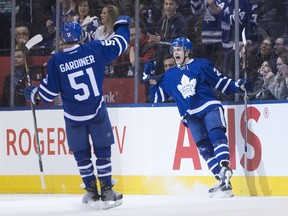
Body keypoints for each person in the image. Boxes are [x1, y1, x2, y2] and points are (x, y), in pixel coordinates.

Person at [24, 16, 131, 209]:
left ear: (63, 39)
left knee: (81, 153)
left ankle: (91, 192)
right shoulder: (94, 49)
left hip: (74, 117)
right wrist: (122, 26)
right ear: (80, 36)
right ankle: (107, 190)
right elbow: (120, 43)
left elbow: (46, 96)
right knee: (103, 150)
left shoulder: (56, 61)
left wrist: (33, 93)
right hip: (96, 111)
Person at [143, 37, 253, 198]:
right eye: (174, 50)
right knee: (204, 148)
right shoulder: (170, 75)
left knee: (217, 136)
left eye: (179, 49)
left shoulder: (201, 65)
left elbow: (220, 82)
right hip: (191, 116)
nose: (175, 53)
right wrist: (151, 80)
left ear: (187, 51)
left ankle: (224, 168)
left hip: (209, 106)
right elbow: (157, 98)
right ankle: (222, 180)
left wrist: (238, 86)